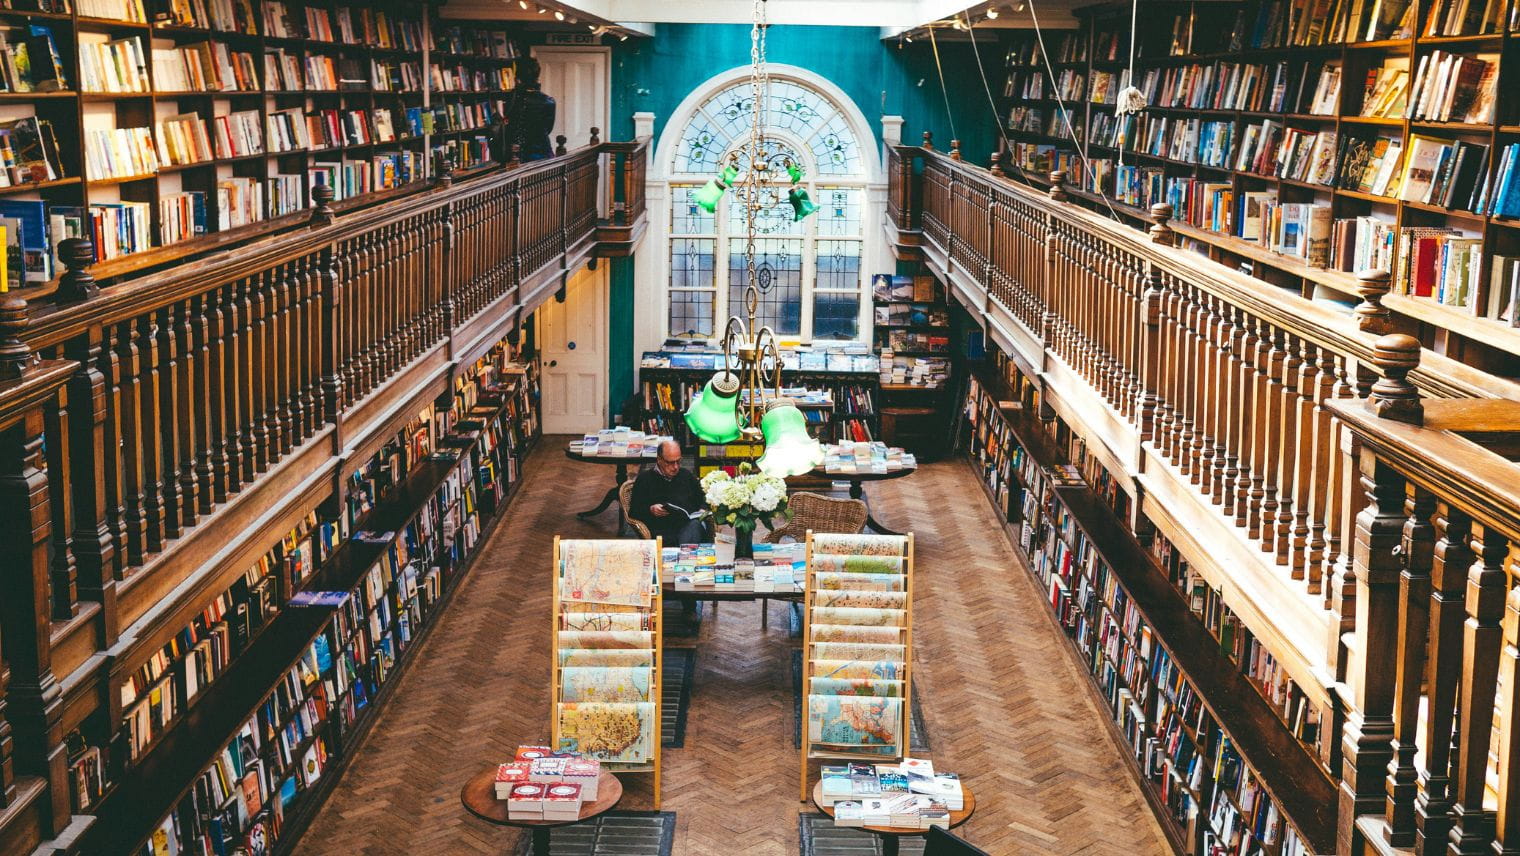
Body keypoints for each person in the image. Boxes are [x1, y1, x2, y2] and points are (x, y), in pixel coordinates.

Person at [629, 439, 707, 545]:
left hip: (688, 527)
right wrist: (650, 510)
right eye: (670, 463)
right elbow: (634, 512)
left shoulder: (686, 475)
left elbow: (702, 497)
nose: (675, 467)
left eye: (678, 461)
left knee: (695, 526)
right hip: (662, 532)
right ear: (659, 460)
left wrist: (702, 509)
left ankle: (686, 556)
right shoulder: (645, 479)